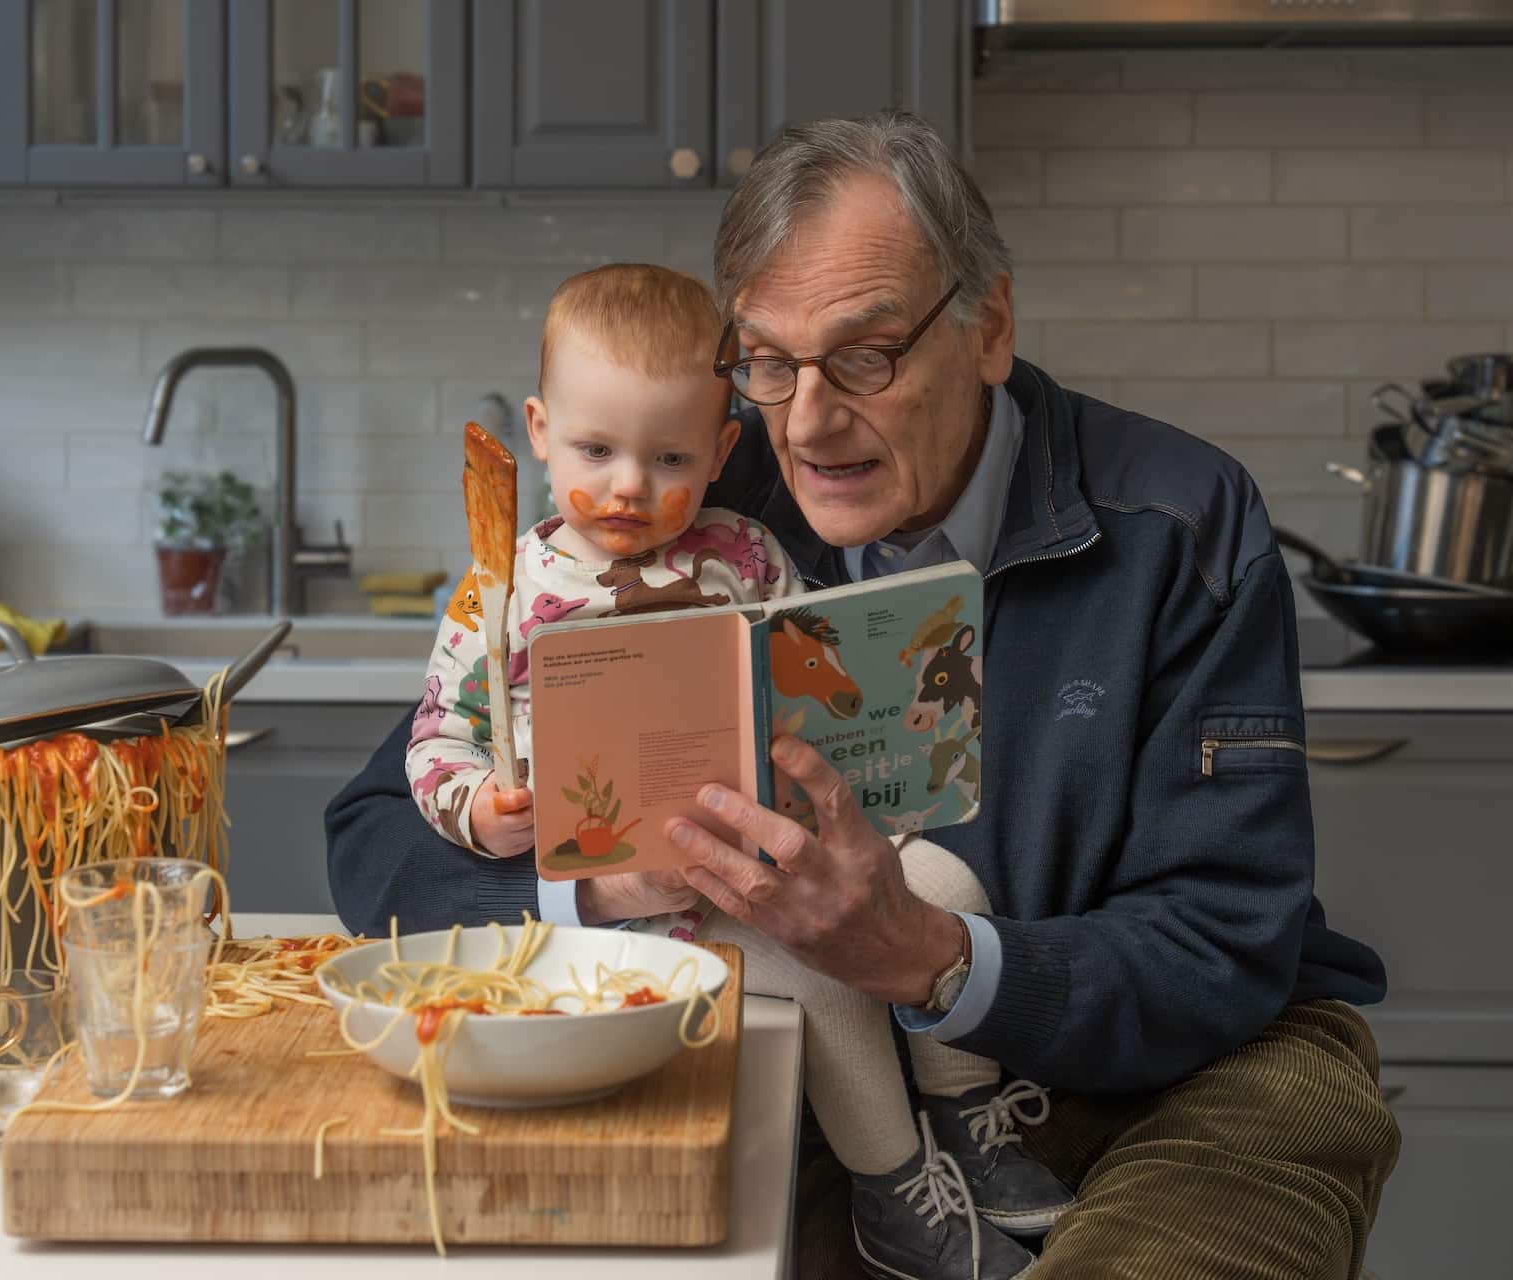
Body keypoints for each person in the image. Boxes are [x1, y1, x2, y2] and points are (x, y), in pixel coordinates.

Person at [329, 111, 1400, 1279]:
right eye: (769, 363)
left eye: (865, 358)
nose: (809, 420)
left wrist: (937, 959)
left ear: (989, 326)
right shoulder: (686, 503)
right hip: (847, 1076)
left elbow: (1223, 944)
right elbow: (383, 830)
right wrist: (602, 878)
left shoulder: (1182, 523)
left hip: (1197, 1078)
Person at [402, 261, 1072, 1279]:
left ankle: (971, 1121)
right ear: (539, 431)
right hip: (662, 909)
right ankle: (894, 1189)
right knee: (817, 971)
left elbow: (809, 663)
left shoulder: (748, 556)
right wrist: (480, 809)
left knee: (947, 882)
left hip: (776, 840)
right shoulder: (500, 593)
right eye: (596, 450)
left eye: (668, 456)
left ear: (722, 450)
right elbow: (436, 740)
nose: (629, 485)